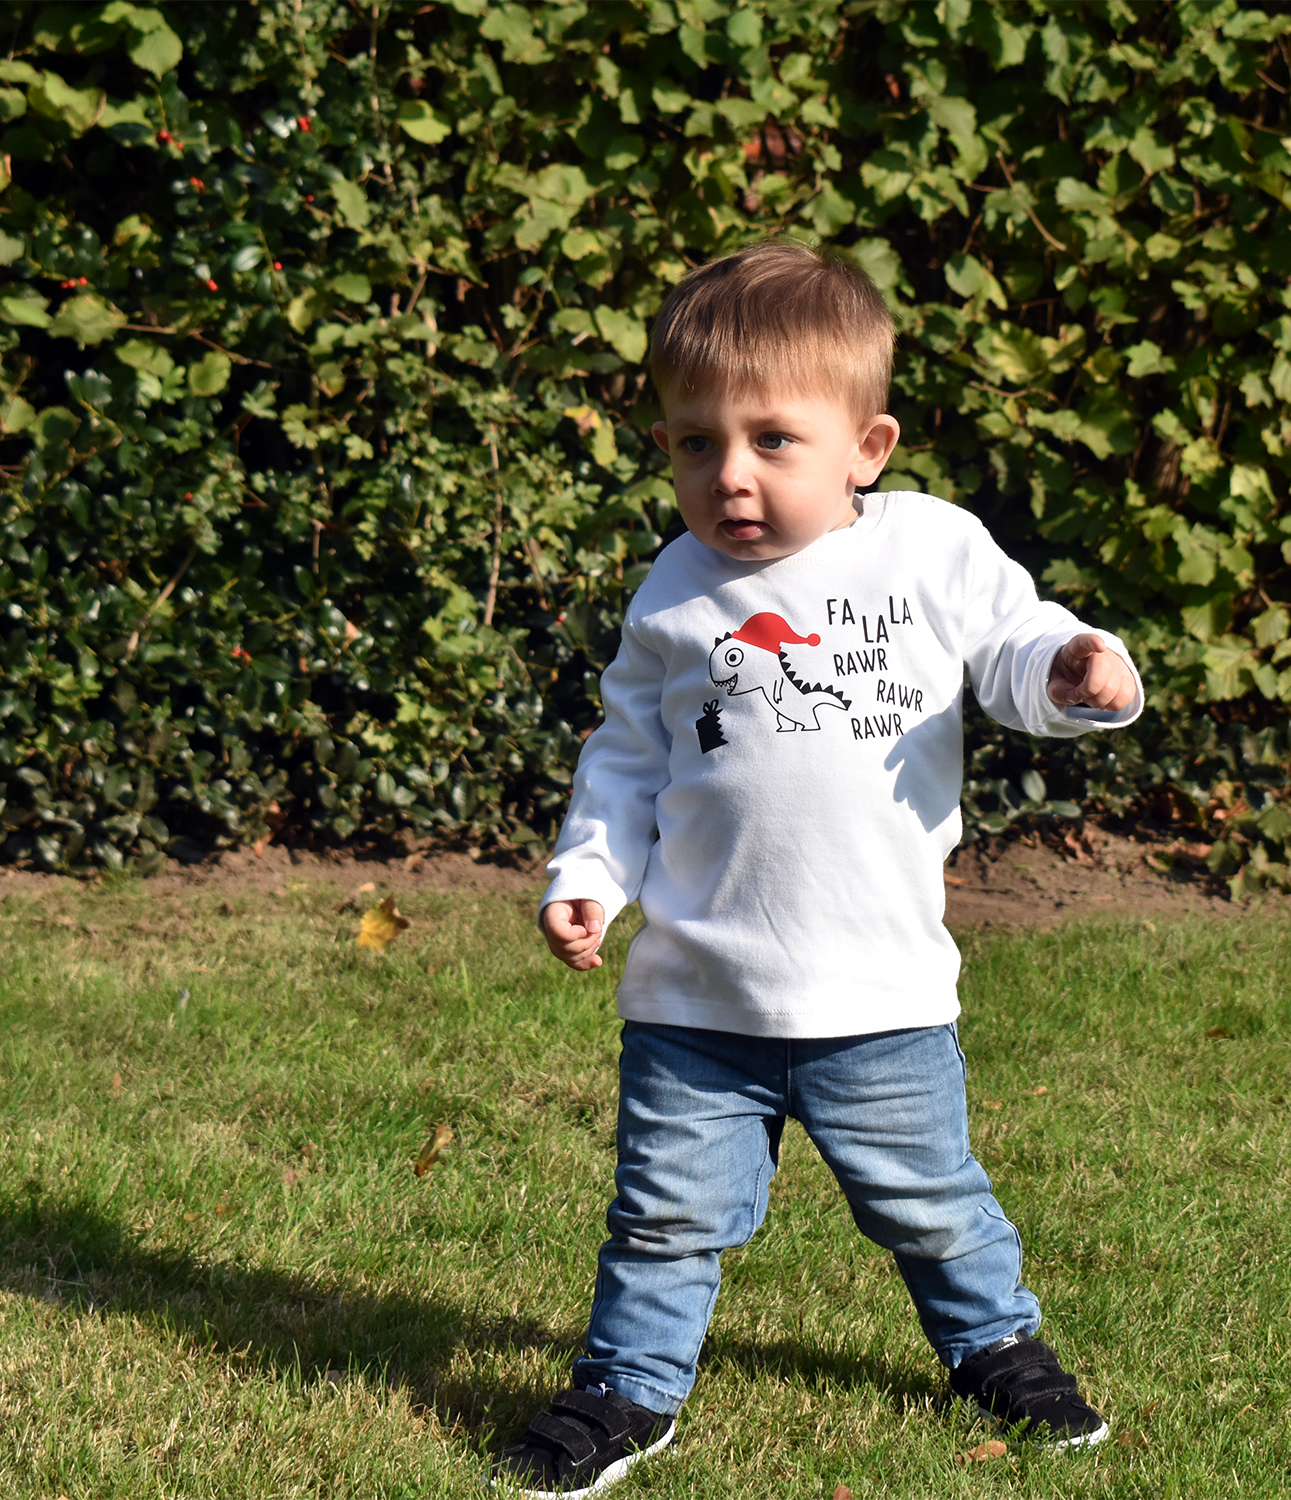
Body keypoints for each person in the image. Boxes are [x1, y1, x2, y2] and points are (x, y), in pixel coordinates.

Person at [495, 241, 1142, 1497]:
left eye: (771, 442)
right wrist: (588, 870)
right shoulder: (676, 595)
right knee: (666, 1219)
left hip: (879, 999)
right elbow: (627, 764)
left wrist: (1074, 670)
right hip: (697, 998)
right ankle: (629, 1388)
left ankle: (994, 1343)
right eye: (694, 443)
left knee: (930, 1204)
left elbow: (1017, 642)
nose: (728, 476)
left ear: (868, 446)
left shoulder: (926, 552)